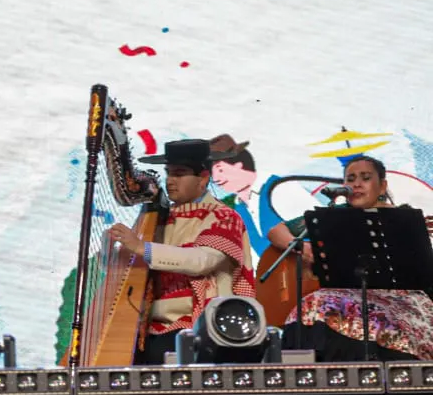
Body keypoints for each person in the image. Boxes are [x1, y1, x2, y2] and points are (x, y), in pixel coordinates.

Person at [266, 155, 433, 360]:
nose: (357, 184)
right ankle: (303, 377)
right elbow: (276, 232)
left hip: (399, 299)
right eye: (351, 179)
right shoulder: (335, 213)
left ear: (382, 186)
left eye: (365, 178)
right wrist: (303, 248)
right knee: (311, 305)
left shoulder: (405, 217)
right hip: (344, 295)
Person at [109, 139, 256, 365]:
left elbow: (202, 261)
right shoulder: (159, 219)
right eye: (168, 173)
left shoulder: (223, 217)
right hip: (154, 327)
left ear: (203, 178)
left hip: (198, 327)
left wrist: (141, 248)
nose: (170, 181)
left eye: (179, 174)